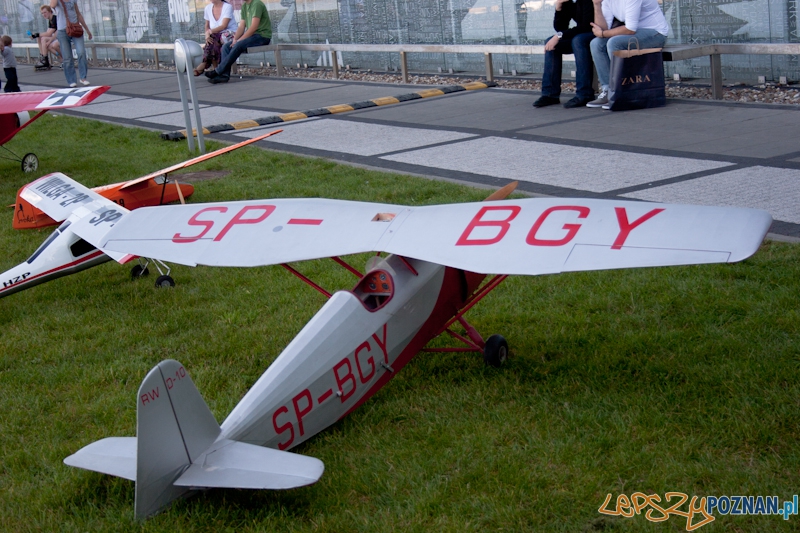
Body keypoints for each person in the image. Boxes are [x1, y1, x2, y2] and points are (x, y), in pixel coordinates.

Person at [586, 0, 669, 108]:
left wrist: (602, 33)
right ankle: (608, 91)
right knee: (596, 43)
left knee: (614, 43)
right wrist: (596, 4)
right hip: (635, 34)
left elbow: (630, 29)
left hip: (655, 33)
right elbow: (603, 29)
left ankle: (621, 91)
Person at [532, 0, 596, 109]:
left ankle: (585, 94)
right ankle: (550, 94)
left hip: (598, 32)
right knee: (551, 43)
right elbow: (561, 27)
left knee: (578, 41)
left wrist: (559, 35)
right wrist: (559, 8)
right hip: (581, 34)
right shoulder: (569, 2)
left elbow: (587, 26)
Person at [204, 0, 271, 84]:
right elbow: (241, 26)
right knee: (226, 46)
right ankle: (224, 76)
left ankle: (218, 71)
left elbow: (253, 28)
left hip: (262, 36)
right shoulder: (244, 6)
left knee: (238, 45)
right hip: (251, 37)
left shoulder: (257, 4)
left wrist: (239, 40)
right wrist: (235, 39)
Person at [50, 0, 92, 87]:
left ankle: (83, 77)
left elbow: (78, 14)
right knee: (67, 57)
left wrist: (87, 30)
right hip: (62, 30)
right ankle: (71, 80)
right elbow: (52, 5)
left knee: (81, 52)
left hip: (75, 28)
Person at [195, 0, 238, 76]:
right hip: (215, 36)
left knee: (216, 39)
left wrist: (210, 32)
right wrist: (207, 35)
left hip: (230, 34)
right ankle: (216, 70)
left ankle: (205, 64)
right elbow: (207, 25)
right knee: (212, 40)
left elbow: (224, 26)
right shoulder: (208, 8)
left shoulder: (227, 7)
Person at [31, 4, 60, 69]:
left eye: (45, 12)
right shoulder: (50, 20)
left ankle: (45, 60)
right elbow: (48, 32)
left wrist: (37, 34)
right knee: (39, 38)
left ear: (50, 11)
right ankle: (43, 57)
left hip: (60, 37)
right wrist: (36, 35)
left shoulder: (54, 18)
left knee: (43, 39)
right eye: (42, 13)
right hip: (55, 37)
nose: (43, 14)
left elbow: (49, 34)